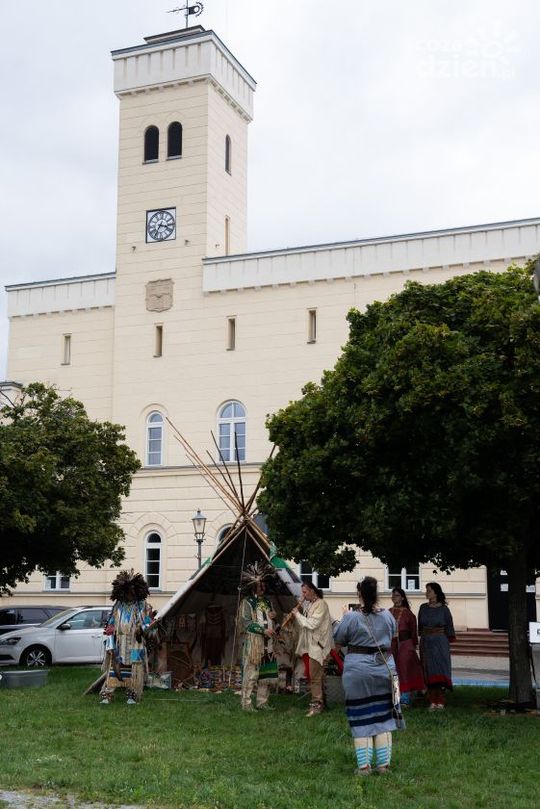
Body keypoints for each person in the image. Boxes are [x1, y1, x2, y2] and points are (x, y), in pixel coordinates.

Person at [333, 577, 401, 776]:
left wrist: (343, 618)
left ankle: (364, 767)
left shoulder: (351, 617)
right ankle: (383, 766)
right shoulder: (388, 616)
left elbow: (339, 639)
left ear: (359, 594)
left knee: (360, 715)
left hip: (358, 670)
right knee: (385, 716)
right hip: (386, 669)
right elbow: (393, 636)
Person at [100, 570, 153, 705]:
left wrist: (142, 629)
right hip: (120, 642)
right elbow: (110, 625)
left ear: (137, 592)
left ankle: (132, 695)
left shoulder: (143, 606)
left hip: (136, 642)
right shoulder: (118, 605)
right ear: (122, 592)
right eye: (127, 592)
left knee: (135, 669)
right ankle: (107, 694)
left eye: (132, 592)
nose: (130, 595)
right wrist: (110, 643)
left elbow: (148, 624)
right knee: (114, 668)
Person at [292, 581, 334, 717]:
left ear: (312, 591)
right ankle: (321, 704)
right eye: (302, 592)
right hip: (311, 646)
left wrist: (297, 614)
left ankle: (316, 706)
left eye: (304, 592)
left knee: (315, 677)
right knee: (316, 677)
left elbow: (312, 624)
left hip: (318, 647)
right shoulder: (310, 604)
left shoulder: (321, 604)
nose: (303, 595)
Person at [239, 578, 277, 711]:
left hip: (269, 643)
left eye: (264, 585)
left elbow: (271, 618)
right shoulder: (247, 602)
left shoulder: (267, 601)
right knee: (251, 673)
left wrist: (273, 616)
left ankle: (262, 702)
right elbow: (246, 622)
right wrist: (263, 630)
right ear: (253, 587)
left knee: (266, 674)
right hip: (255, 642)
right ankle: (246, 703)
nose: (263, 588)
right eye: (260, 586)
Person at [418, 582, 456, 711]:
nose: (427, 593)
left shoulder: (444, 609)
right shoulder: (423, 607)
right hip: (426, 642)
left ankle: (440, 701)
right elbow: (420, 627)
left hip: (440, 642)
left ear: (436, 593)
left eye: (429, 590)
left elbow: (449, 626)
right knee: (428, 670)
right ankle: (432, 701)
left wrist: (448, 640)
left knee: (440, 669)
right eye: (426, 590)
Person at [389, 587, 425, 706]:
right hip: (391, 645)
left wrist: (412, 647)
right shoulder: (388, 612)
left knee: (404, 670)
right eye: (393, 595)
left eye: (396, 595)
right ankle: (395, 698)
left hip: (405, 644)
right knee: (393, 670)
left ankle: (405, 698)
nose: (394, 597)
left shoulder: (409, 614)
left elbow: (413, 633)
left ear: (402, 598)